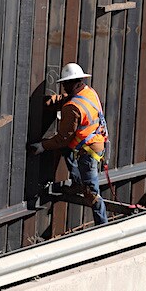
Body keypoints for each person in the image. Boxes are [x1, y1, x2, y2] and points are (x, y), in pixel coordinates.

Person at [31, 63, 108, 225]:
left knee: (92, 194)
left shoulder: (72, 107)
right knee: (67, 151)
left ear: (74, 82)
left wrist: (43, 146)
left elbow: (63, 138)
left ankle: (103, 226)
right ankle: (77, 183)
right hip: (96, 141)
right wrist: (47, 102)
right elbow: (66, 100)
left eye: (66, 83)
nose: (64, 87)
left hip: (88, 152)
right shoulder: (88, 92)